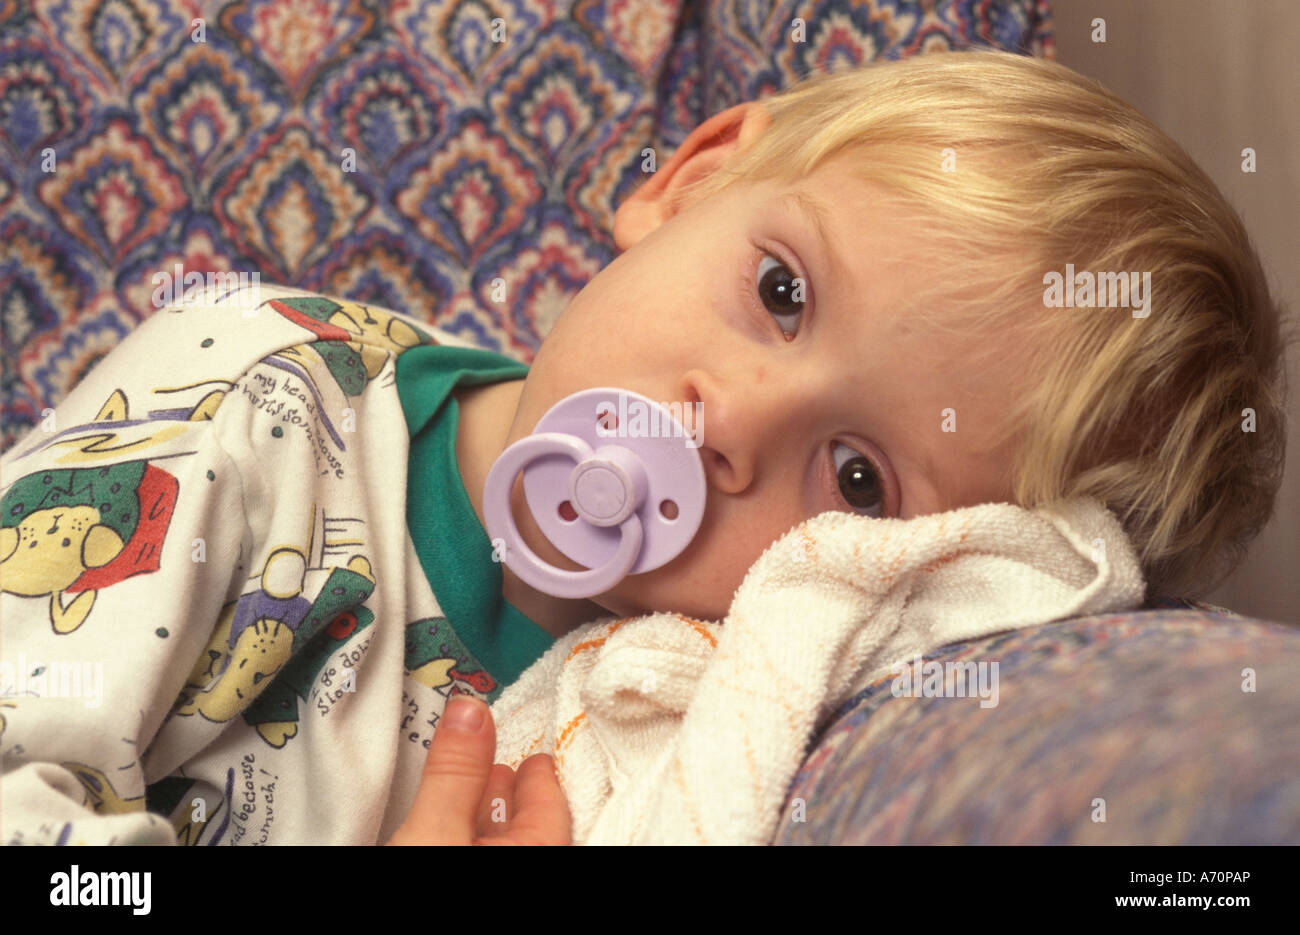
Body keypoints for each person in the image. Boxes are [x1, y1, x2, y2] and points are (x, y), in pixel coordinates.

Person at [0, 50, 1286, 845]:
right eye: (781, 292)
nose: (727, 419)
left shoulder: (707, 700)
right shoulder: (247, 397)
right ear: (692, 176)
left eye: (855, 478)